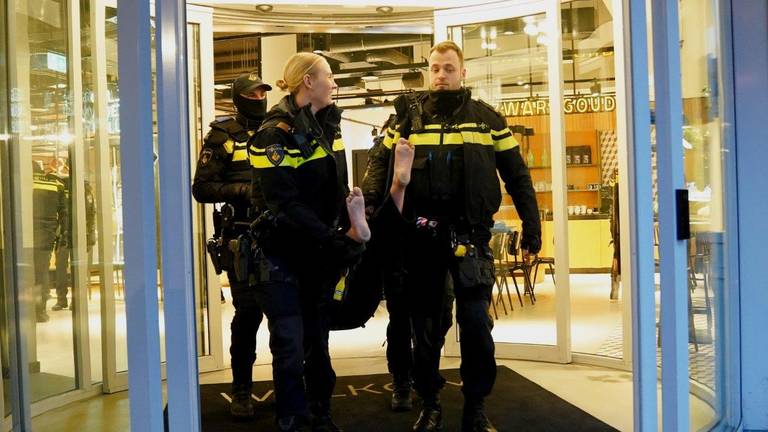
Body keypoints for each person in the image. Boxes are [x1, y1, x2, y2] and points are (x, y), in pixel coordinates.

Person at [366, 41, 542, 432]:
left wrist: (532, 225)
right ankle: (429, 403)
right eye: (435, 69)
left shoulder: (488, 121)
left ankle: (475, 405)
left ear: (463, 73)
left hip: (472, 238)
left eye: (448, 68)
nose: (441, 76)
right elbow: (378, 168)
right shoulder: (406, 122)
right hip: (421, 239)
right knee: (426, 330)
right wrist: (372, 221)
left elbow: (517, 176)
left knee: (477, 325)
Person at [248, 52, 370, 432]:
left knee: (318, 341)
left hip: (317, 254)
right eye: (329, 76)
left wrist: (348, 219)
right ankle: (292, 420)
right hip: (282, 255)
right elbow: (284, 204)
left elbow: (327, 190)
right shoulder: (274, 134)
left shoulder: (325, 126)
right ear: (308, 82)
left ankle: (321, 413)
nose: (334, 84)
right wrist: (332, 238)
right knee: (289, 345)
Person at [192, 72, 271, 419]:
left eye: (262, 92)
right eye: (252, 93)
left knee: (286, 319)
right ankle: (241, 390)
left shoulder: (279, 129)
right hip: (242, 239)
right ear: (239, 98)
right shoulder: (222, 136)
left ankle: (291, 388)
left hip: (281, 237)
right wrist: (242, 192)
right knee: (248, 317)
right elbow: (202, 188)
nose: (259, 97)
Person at [32, 159, 68, 323]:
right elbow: (64, 212)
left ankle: (26, 310)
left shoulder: (26, 181)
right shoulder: (57, 182)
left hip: (26, 233)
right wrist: (63, 235)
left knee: (26, 273)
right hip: (47, 233)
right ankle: (40, 311)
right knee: (42, 272)